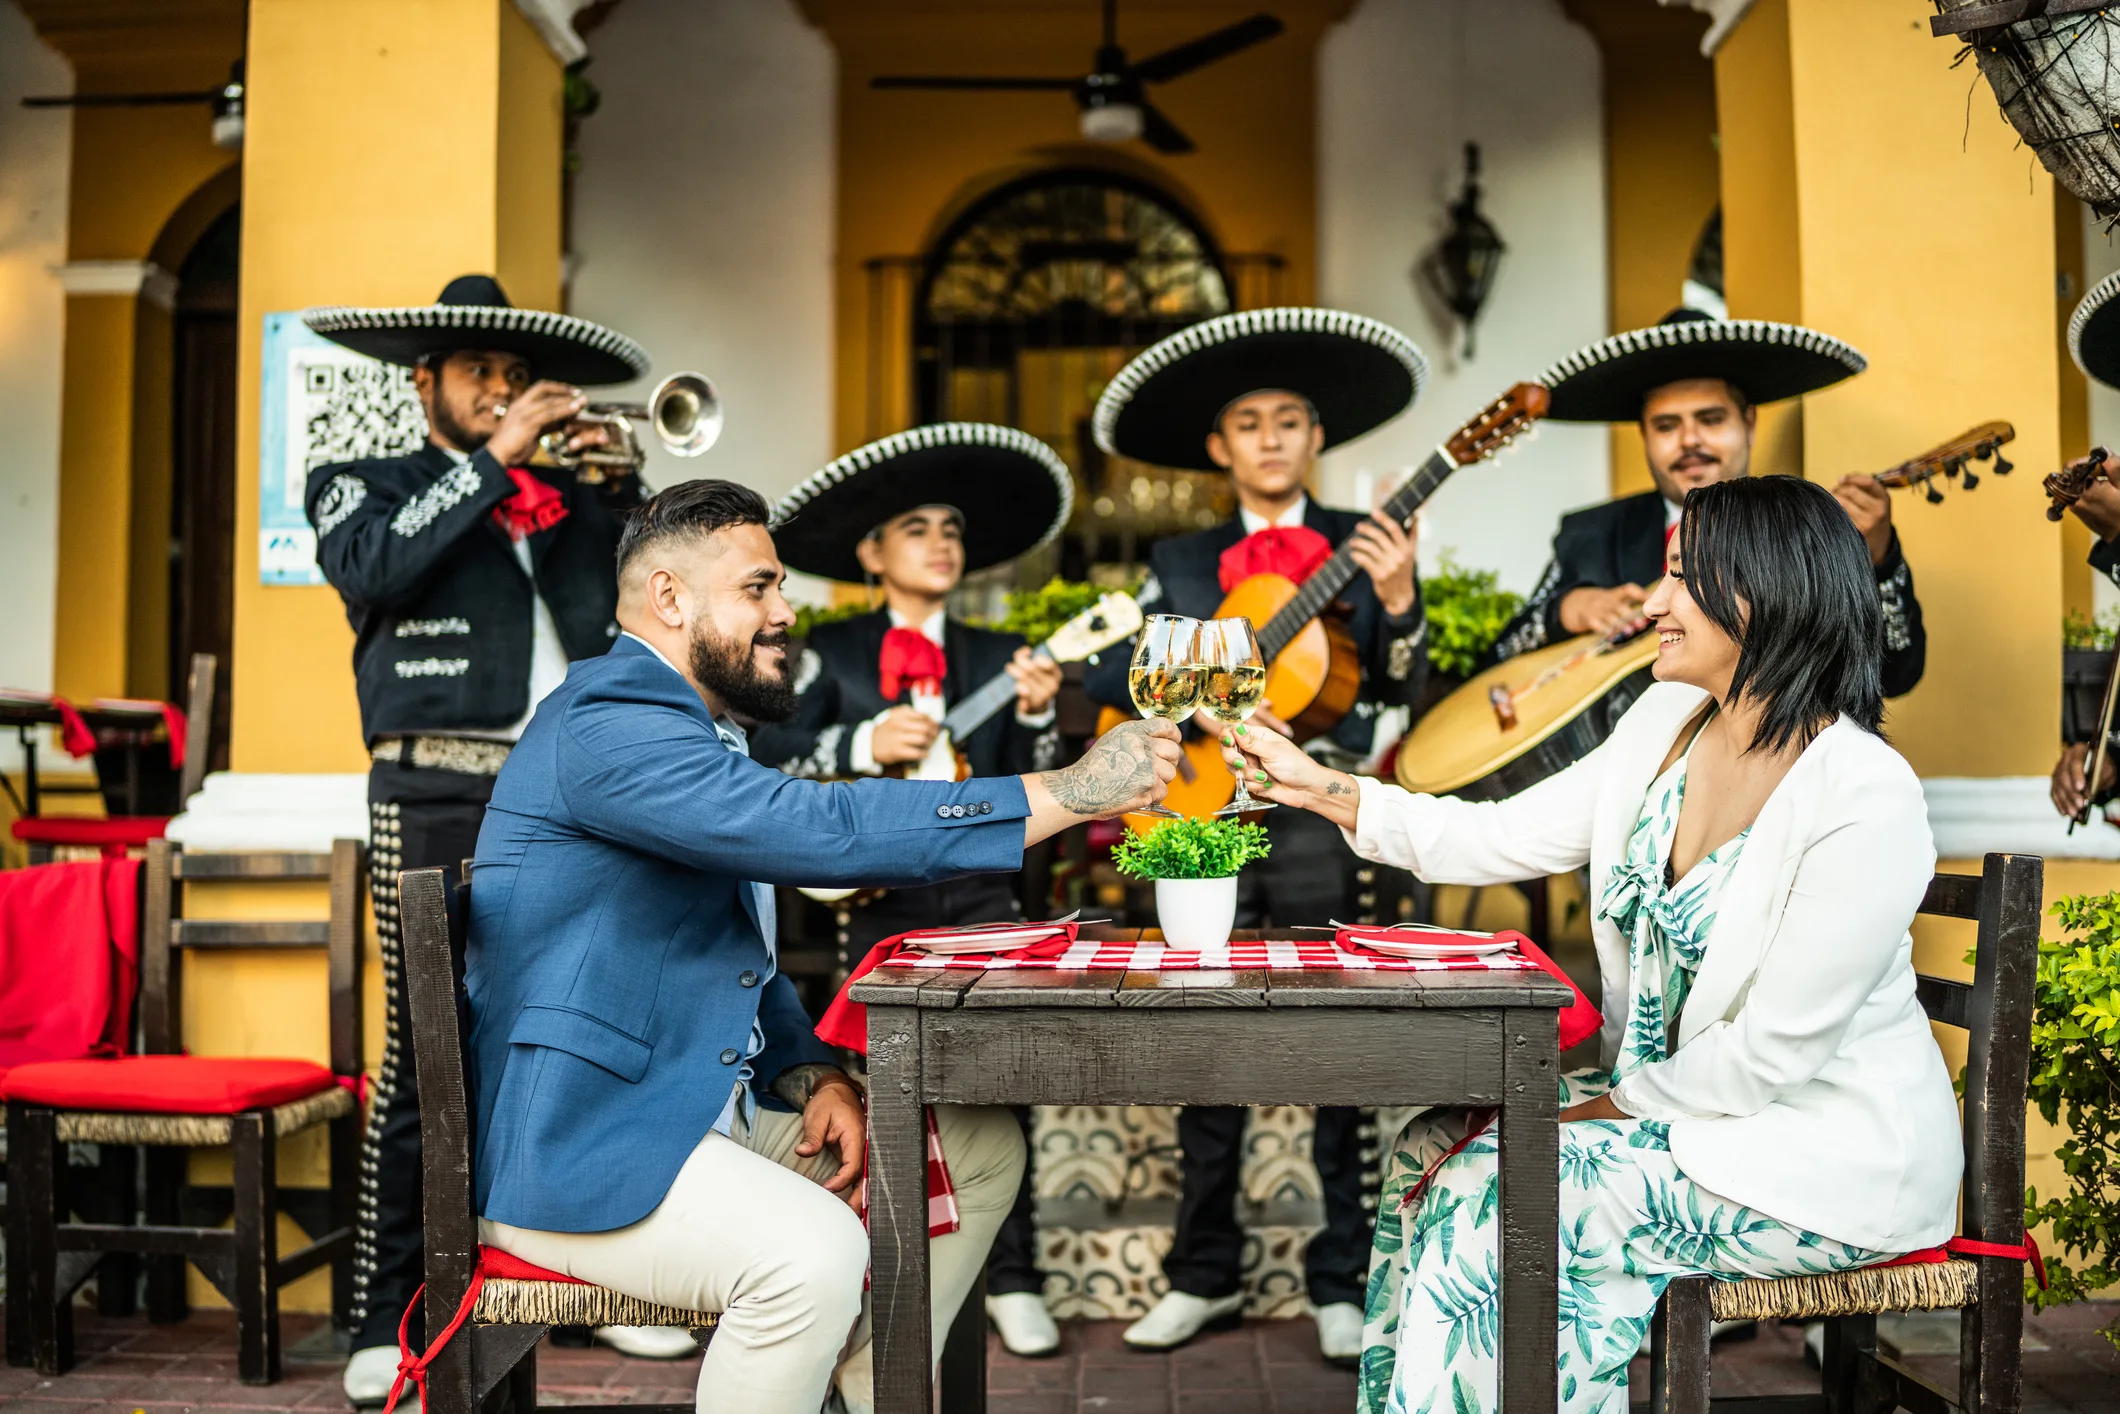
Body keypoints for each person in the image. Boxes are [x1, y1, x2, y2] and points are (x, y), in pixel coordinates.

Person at [1219, 475, 1960, 1414]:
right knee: (1431, 1146)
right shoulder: (1660, 726)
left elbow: (1770, 1055)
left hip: (1821, 1154)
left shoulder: (1864, 793)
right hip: (1679, 1116)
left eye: (1682, 578)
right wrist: (1321, 788)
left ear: (1764, 593)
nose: (1652, 604)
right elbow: (1497, 835)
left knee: (1511, 1188)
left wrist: (1597, 1113)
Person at [465, 478, 1181, 1414]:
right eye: (757, 587)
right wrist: (1069, 790)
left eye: (780, 587)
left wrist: (809, 1074)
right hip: (583, 1148)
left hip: (693, 1109)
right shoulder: (609, 722)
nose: (784, 612)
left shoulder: (699, 730)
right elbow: (820, 829)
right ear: (670, 598)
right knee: (810, 1254)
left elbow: (733, 956)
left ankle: (864, 1390)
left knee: (977, 1147)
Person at [301, 275, 691, 1397]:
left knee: (587, 1036)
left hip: (571, 794)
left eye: (515, 374)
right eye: (479, 371)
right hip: (432, 785)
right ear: (424, 380)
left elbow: (654, 604)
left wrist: (625, 491)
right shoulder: (360, 481)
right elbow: (371, 568)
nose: (503, 389)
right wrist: (496, 458)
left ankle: (604, 1290)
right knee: (427, 1051)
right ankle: (391, 1313)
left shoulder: (563, 497)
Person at [1083, 307, 1431, 1362]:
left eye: (1289, 420)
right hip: (1205, 816)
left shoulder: (1366, 541)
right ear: (1217, 446)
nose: (1270, 438)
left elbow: (1410, 689)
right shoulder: (1182, 558)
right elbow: (1122, 677)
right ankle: (1203, 1272)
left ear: (1316, 438)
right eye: (1249, 422)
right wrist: (1213, 703)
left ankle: (1341, 1278)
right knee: (1202, 1035)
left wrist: (1401, 598)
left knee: (1338, 1045)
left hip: (1319, 814)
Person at [753, 424, 1072, 1357]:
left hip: (981, 898)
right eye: (917, 528)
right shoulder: (823, 650)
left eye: (952, 529)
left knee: (1004, 1076)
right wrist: (860, 744)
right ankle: (884, 1262)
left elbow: (1037, 781)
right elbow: (768, 757)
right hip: (873, 900)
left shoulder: (1002, 653)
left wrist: (1039, 714)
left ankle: (1015, 1275)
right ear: (872, 553)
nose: (941, 543)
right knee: (883, 1081)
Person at [1489, 310, 1928, 700]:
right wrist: (1567, 610)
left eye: (1711, 420)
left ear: (1749, 423)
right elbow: (1499, 657)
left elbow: (1894, 674)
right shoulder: (1590, 533)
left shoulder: (1804, 533)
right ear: (1644, 436)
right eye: (1666, 426)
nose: (1690, 441)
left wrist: (1878, 559)